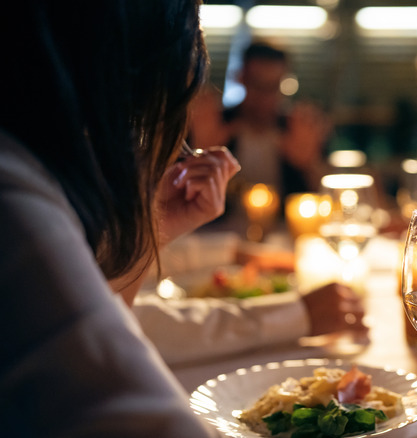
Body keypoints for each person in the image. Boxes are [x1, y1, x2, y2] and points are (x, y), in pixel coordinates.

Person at [0, 1, 361, 436]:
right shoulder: (18, 191)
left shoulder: (292, 132)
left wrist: (307, 165)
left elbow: (112, 321)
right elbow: (116, 377)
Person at [223, 41, 332, 208]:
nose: (265, 98)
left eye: (273, 87)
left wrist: (309, 164)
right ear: (241, 79)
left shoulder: (298, 129)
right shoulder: (217, 125)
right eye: (257, 85)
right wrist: (202, 151)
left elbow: (329, 197)